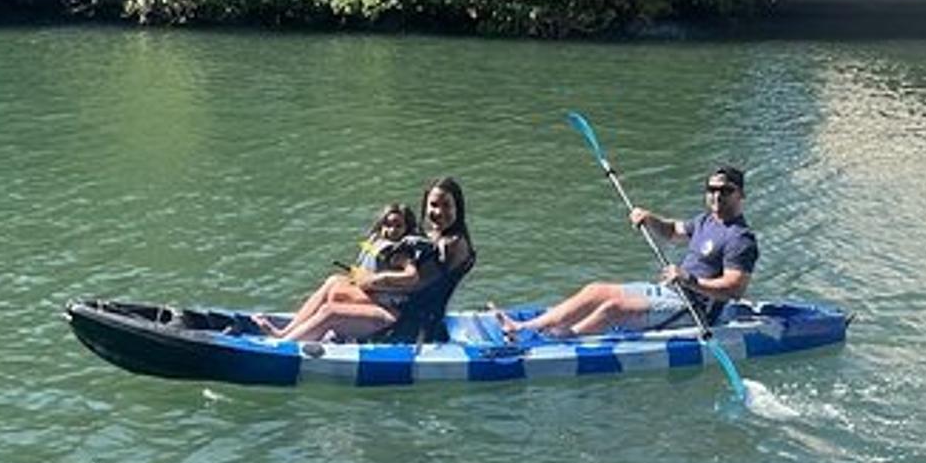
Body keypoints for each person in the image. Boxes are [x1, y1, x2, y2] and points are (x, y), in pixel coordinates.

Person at [500, 165, 757, 339]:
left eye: (725, 191)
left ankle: (562, 340)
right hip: (672, 291)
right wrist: (649, 218)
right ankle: (523, 327)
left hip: (695, 308)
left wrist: (689, 280)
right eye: (711, 189)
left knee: (615, 307)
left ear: (741, 194)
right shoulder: (706, 221)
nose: (716, 196)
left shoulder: (740, 238)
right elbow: (672, 231)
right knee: (596, 290)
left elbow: (734, 289)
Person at [269, 178, 475, 344]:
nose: (438, 212)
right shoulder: (429, 236)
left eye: (446, 205)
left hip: (412, 322)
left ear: (458, 207)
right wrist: (365, 279)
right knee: (334, 282)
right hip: (398, 306)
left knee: (330, 311)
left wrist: (371, 281)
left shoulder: (455, 244)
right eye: (433, 205)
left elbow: (416, 285)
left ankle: (282, 348)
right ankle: (285, 332)